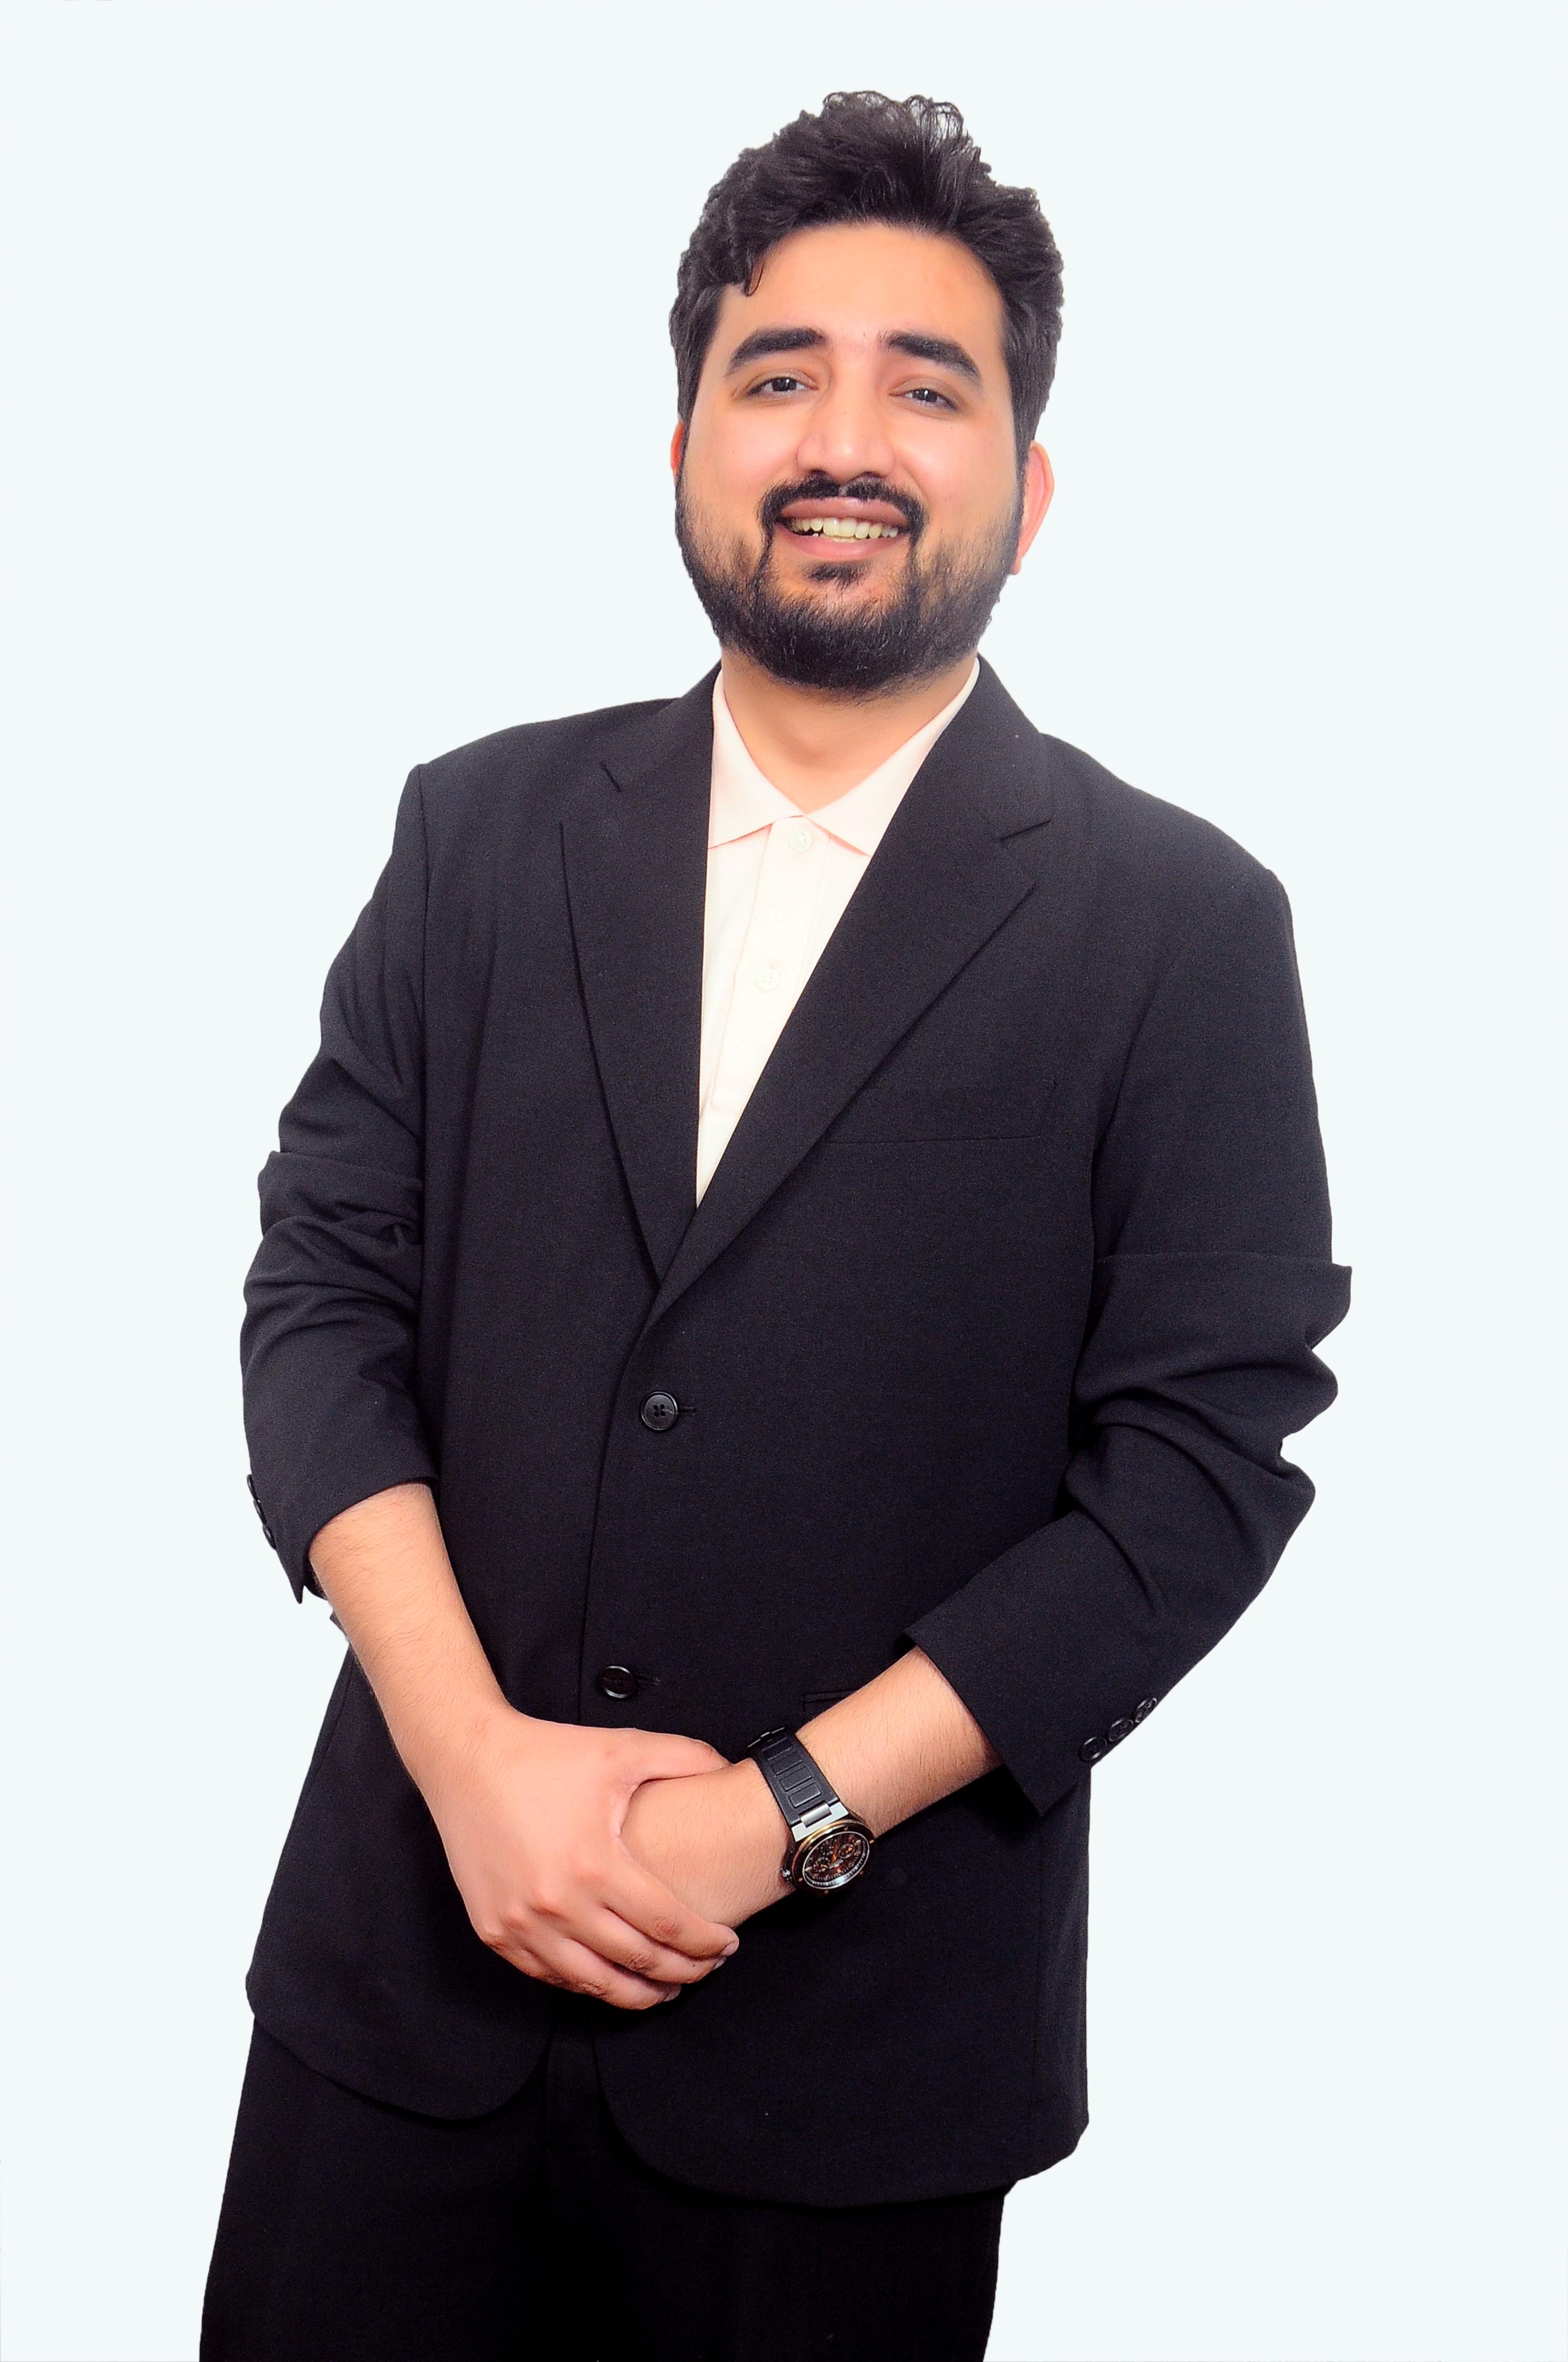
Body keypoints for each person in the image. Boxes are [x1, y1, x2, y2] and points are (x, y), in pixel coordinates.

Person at [202, 89, 1352, 2362]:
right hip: (396, 2008)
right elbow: (321, 1294)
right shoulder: (475, 834)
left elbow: (1191, 1485)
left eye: (926, 385)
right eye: (776, 374)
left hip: (850, 2066)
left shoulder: (1182, 924)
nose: (841, 440)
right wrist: (469, 1759)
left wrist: (782, 1820)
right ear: (681, 453)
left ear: (1027, 486)